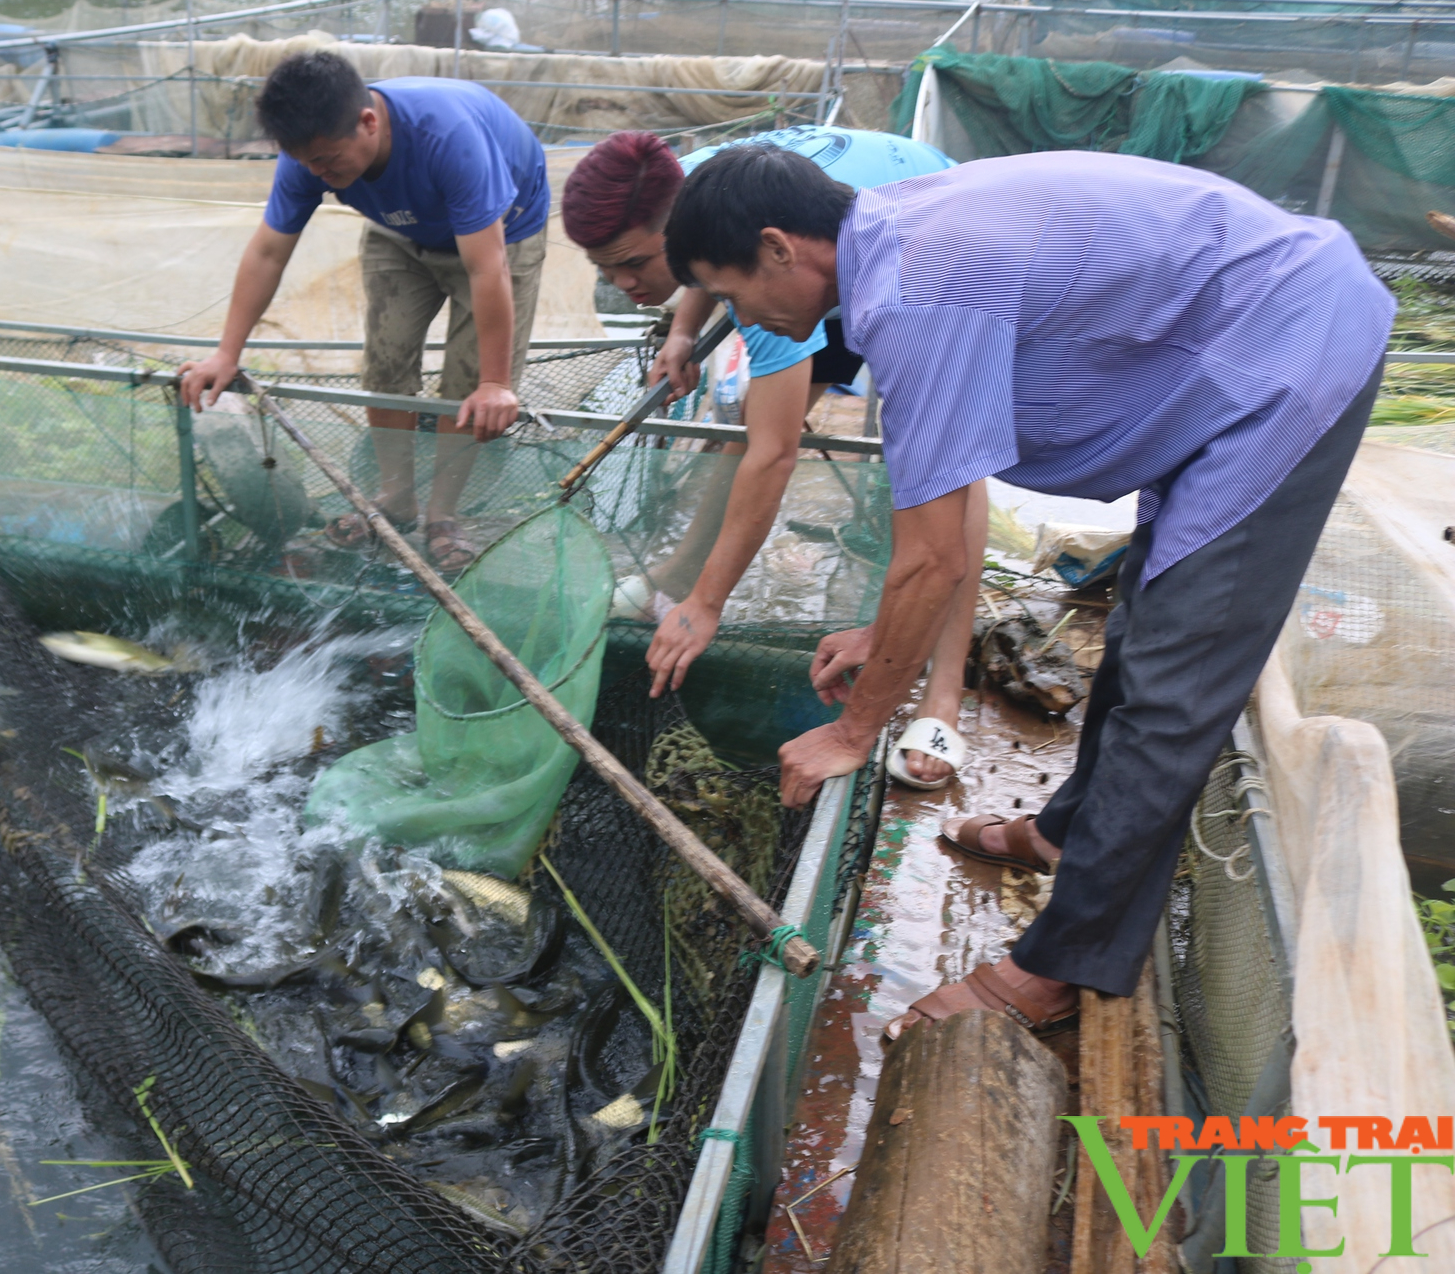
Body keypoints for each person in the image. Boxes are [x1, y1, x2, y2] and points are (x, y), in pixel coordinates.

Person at [661, 144, 1394, 1038]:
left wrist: (856, 732)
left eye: (730, 294)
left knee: (1177, 679)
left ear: (779, 247)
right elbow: (940, 523)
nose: (740, 319)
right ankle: (1067, 832)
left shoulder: (915, 298)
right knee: (1143, 623)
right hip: (1231, 344)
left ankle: (1063, 962)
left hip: (1289, 353)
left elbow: (931, 558)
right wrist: (884, 633)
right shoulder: (891, 236)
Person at [560, 127, 976, 791]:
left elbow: (777, 454)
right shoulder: (680, 188)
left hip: (909, 246)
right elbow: (699, 263)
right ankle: (678, 575)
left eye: (633, 263)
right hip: (813, 249)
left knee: (946, 461)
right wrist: (683, 329)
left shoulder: (762, 264)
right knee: (749, 419)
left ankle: (943, 688)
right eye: (604, 268)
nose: (621, 282)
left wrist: (711, 605)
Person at [177, 51, 549, 572]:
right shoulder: (308, 155)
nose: (318, 174)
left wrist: (493, 382)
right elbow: (267, 252)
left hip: (500, 233)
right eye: (307, 163)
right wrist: (225, 353)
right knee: (385, 361)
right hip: (400, 232)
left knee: (468, 382)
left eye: (327, 162)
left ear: (367, 122)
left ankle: (443, 516)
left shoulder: (447, 137)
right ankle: (395, 498)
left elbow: (488, 268)